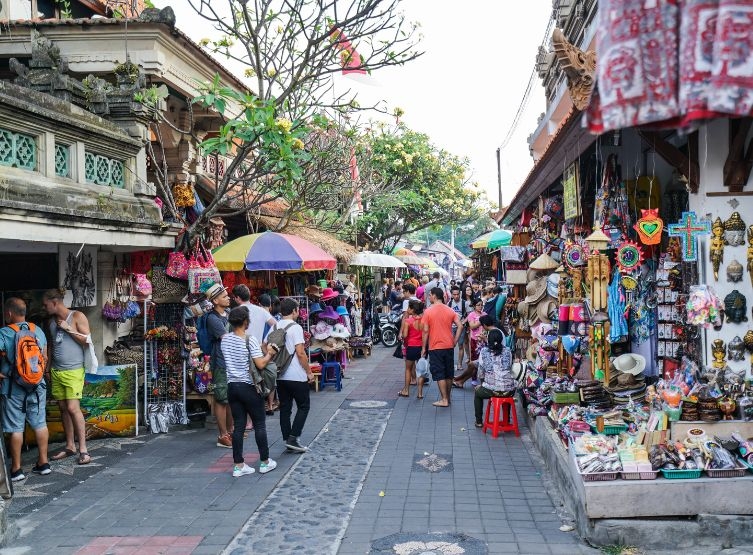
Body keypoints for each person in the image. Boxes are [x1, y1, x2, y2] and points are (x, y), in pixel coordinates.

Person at [221, 306, 277, 477]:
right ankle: (265, 462)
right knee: (259, 424)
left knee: (239, 426)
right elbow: (260, 364)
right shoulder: (249, 340)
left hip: (232, 387)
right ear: (246, 322)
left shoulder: (225, 339)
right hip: (249, 387)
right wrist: (270, 354)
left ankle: (238, 465)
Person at [1, 298, 50, 480]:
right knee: (40, 423)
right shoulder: (37, 330)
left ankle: (16, 469)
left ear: (9, 313)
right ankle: (43, 463)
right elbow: (43, 357)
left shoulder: (4, 333)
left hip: (13, 388)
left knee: (15, 428)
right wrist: (36, 376)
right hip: (37, 386)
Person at [42, 288, 91, 465]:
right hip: (56, 370)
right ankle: (70, 445)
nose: (44, 308)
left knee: (72, 408)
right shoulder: (51, 322)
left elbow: (87, 340)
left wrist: (69, 329)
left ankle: (83, 449)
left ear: (55, 303)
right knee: (63, 408)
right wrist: (48, 369)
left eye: (45, 304)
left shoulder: (77, 316)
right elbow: (52, 346)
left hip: (74, 370)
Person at [268, 298, 315, 453]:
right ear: (294, 310)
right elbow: (300, 353)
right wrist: (309, 372)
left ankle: (287, 438)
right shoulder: (295, 328)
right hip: (296, 374)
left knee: (285, 408)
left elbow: (264, 346)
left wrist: (273, 360)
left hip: (280, 374)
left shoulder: (274, 325)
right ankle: (293, 437)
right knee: (304, 406)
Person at [203, 282, 234, 448]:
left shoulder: (227, 314)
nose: (228, 298)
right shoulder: (214, 319)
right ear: (215, 301)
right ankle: (222, 435)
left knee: (230, 398)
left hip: (230, 362)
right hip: (221, 362)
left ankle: (231, 430)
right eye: (224, 296)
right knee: (221, 399)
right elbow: (228, 338)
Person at [421, 287, 462, 407]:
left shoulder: (428, 311)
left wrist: (424, 347)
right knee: (448, 373)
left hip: (435, 346)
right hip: (449, 345)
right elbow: (460, 326)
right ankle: (447, 398)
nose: (429, 297)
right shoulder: (450, 310)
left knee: (439, 373)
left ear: (434, 296)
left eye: (430, 295)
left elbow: (425, 331)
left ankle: (444, 399)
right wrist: (455, 341)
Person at [473, 328, 515, 428]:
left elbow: (481, 372)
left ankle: (478, 421)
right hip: (509, 390)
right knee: (506, 386)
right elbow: (508, 367)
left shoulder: (484, 351)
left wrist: (482, 384)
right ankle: (506, 419)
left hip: (492, 390)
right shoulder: (508, 351)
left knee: (478, 394)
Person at [453, 314, 499, 388]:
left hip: (494, 359)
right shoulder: (493, 331)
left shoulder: (495, 332)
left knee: (472, 365)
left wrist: (485, 340)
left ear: (484, 325)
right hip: (491, 357)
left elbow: (493, 347)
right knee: (472, 365)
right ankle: (460, 381)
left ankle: (458, 379)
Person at [398, 300, 426, 399]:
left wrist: (403, 337)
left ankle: (406, 390)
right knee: (421, 370)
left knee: (408, 369)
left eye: (409, 308)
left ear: (413, 310)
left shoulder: (408, 321)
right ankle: (420, 393)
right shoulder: (423, 320)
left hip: (411, 347)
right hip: (421, 347)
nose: (407, 310)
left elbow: (405, 335)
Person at [449, 286, 472, 372]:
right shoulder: (449, 303)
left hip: (461, 327)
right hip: (451, 327)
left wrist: (463, 322)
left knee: (460, 345)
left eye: (457, 294)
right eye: (454, 294)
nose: (456, 296)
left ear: (460, 294)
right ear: (451, 295)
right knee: (450, 346)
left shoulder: (465, 303)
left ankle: (459, 364)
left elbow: (470, 314)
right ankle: (450, 363)